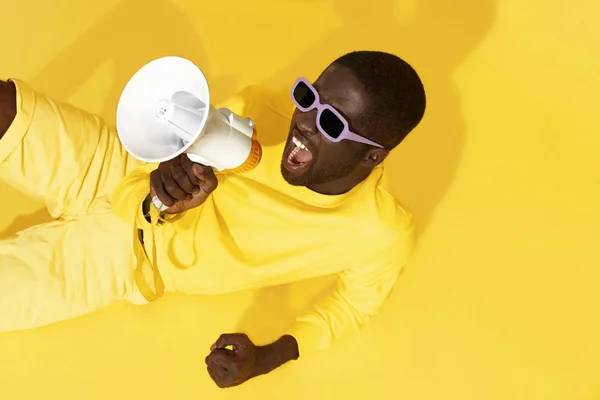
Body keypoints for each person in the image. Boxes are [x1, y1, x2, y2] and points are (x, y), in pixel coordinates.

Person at [0, 50, 426, 388]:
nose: (304, 123)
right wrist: (162, 183)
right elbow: (137, 181)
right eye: (308, 97)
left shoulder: (380, 232)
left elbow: (352, 306)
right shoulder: (261, 112)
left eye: (331, 122)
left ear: (373, 155)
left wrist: (268, 357)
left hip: (129, 263)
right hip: (116, 166)